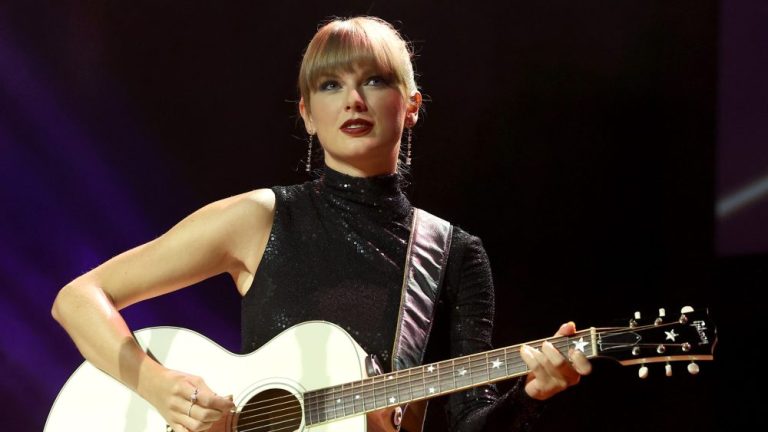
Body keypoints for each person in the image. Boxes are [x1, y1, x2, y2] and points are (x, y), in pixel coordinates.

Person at [52, 16, 591, 432]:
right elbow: (78, 298)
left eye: (375, 80)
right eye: (331, 85)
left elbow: (467, 421)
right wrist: (157, 385)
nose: (354, 100)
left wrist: (530, 396)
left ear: (412, 106)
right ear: (307, 113)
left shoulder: (452, 253)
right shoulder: (259, 218)